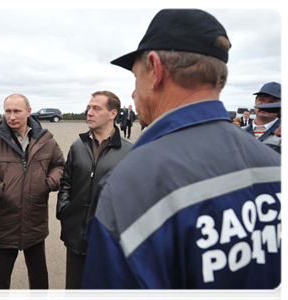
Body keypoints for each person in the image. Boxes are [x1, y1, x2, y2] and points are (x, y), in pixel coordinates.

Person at [80, 8, 285, 300]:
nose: (134, 94)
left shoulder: (130, 187)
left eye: (136, 76)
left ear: (155, 69)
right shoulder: (278, 167)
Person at [0, 93, 65, 300]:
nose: (11, 116)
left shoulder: (46, 141)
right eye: (7, 111)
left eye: (17, 111)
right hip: (4, 222)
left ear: (29, 112)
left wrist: (48, 183)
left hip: (35, 221)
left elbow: (59, 165)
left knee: (40, 278)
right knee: (0, 280)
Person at [56, 91, 132, 300]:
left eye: (96, 108)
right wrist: (65, 210)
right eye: (88, 108)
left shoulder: (128, 152)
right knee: (73, 291)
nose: (89, 113)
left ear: (113, 113)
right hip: (75, 235)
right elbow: (66, 183)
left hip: (107, 239)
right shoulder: (77, 146)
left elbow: (130, 197)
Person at [244, 82, 284, 154]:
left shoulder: (283, 134)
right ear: (255, 102)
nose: (265, 105)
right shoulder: (238, 132)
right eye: (261, 100)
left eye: (272, 102)